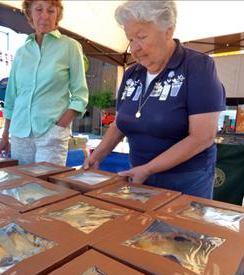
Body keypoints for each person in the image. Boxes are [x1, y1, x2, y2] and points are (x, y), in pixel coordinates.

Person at [83, 0, 225, 199]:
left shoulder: (198, 67)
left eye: (141, 37)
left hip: (185, 182)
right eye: (130, 39)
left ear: (168, 30)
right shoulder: (132, 74)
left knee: (179, 231)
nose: (134, 49)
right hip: (139, 176)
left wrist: (149, 169)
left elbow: (203, 137)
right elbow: (121, 123)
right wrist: (97, 155)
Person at [0, 0, 88, 166]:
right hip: (19, 134)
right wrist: (5, 136)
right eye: (38, 10)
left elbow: (80, 96)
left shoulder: (70, 47)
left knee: (47, 187)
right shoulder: (21, 53)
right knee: (21, 187)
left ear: (57, 15)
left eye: (50, 11)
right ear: (29, 14)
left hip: (51, 133)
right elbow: (11, 99)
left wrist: (59, 127)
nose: (44, 16)